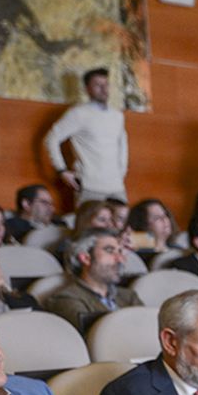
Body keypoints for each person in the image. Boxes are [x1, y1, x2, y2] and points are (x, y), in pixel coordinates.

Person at [44, 67, 128, 203]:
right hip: (89, 187)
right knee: (89, 218)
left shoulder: (117, 115)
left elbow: (122, 145)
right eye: (97, 85)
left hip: (117, 187)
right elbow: (51, 139)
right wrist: (61, 170)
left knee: (123, 217)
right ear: (87, 89)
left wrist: (121, 172)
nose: (103, 89)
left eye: (106, 84)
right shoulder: (78, 114)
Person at [43, 227, 143, 334]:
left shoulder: (129, 296)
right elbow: (98, 337)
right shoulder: (65, 299)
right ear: (85, 258)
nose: (120, 259)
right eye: (110, 251)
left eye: (120, 251)